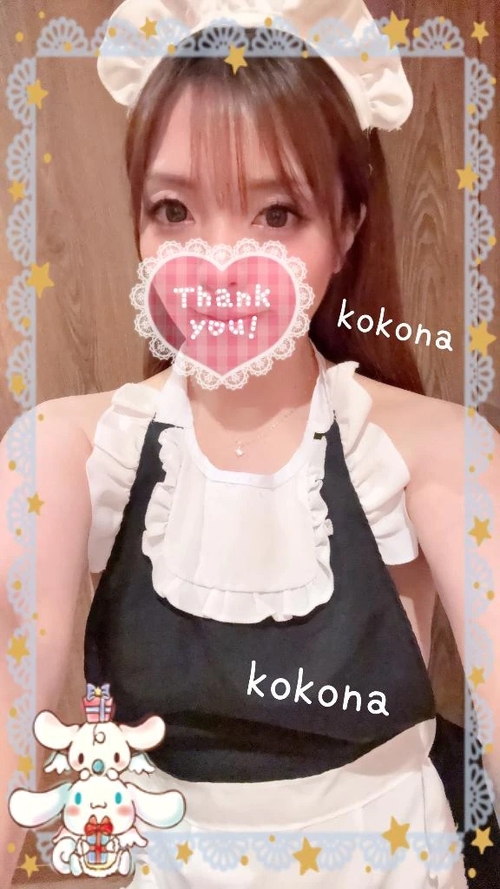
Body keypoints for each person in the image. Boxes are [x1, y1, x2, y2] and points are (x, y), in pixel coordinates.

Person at [1, 1, 499, 887]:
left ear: (348, 229)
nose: (221, 264)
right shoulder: (66, 453)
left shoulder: (439, 452)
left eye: (276, 213)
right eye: (174, 209)